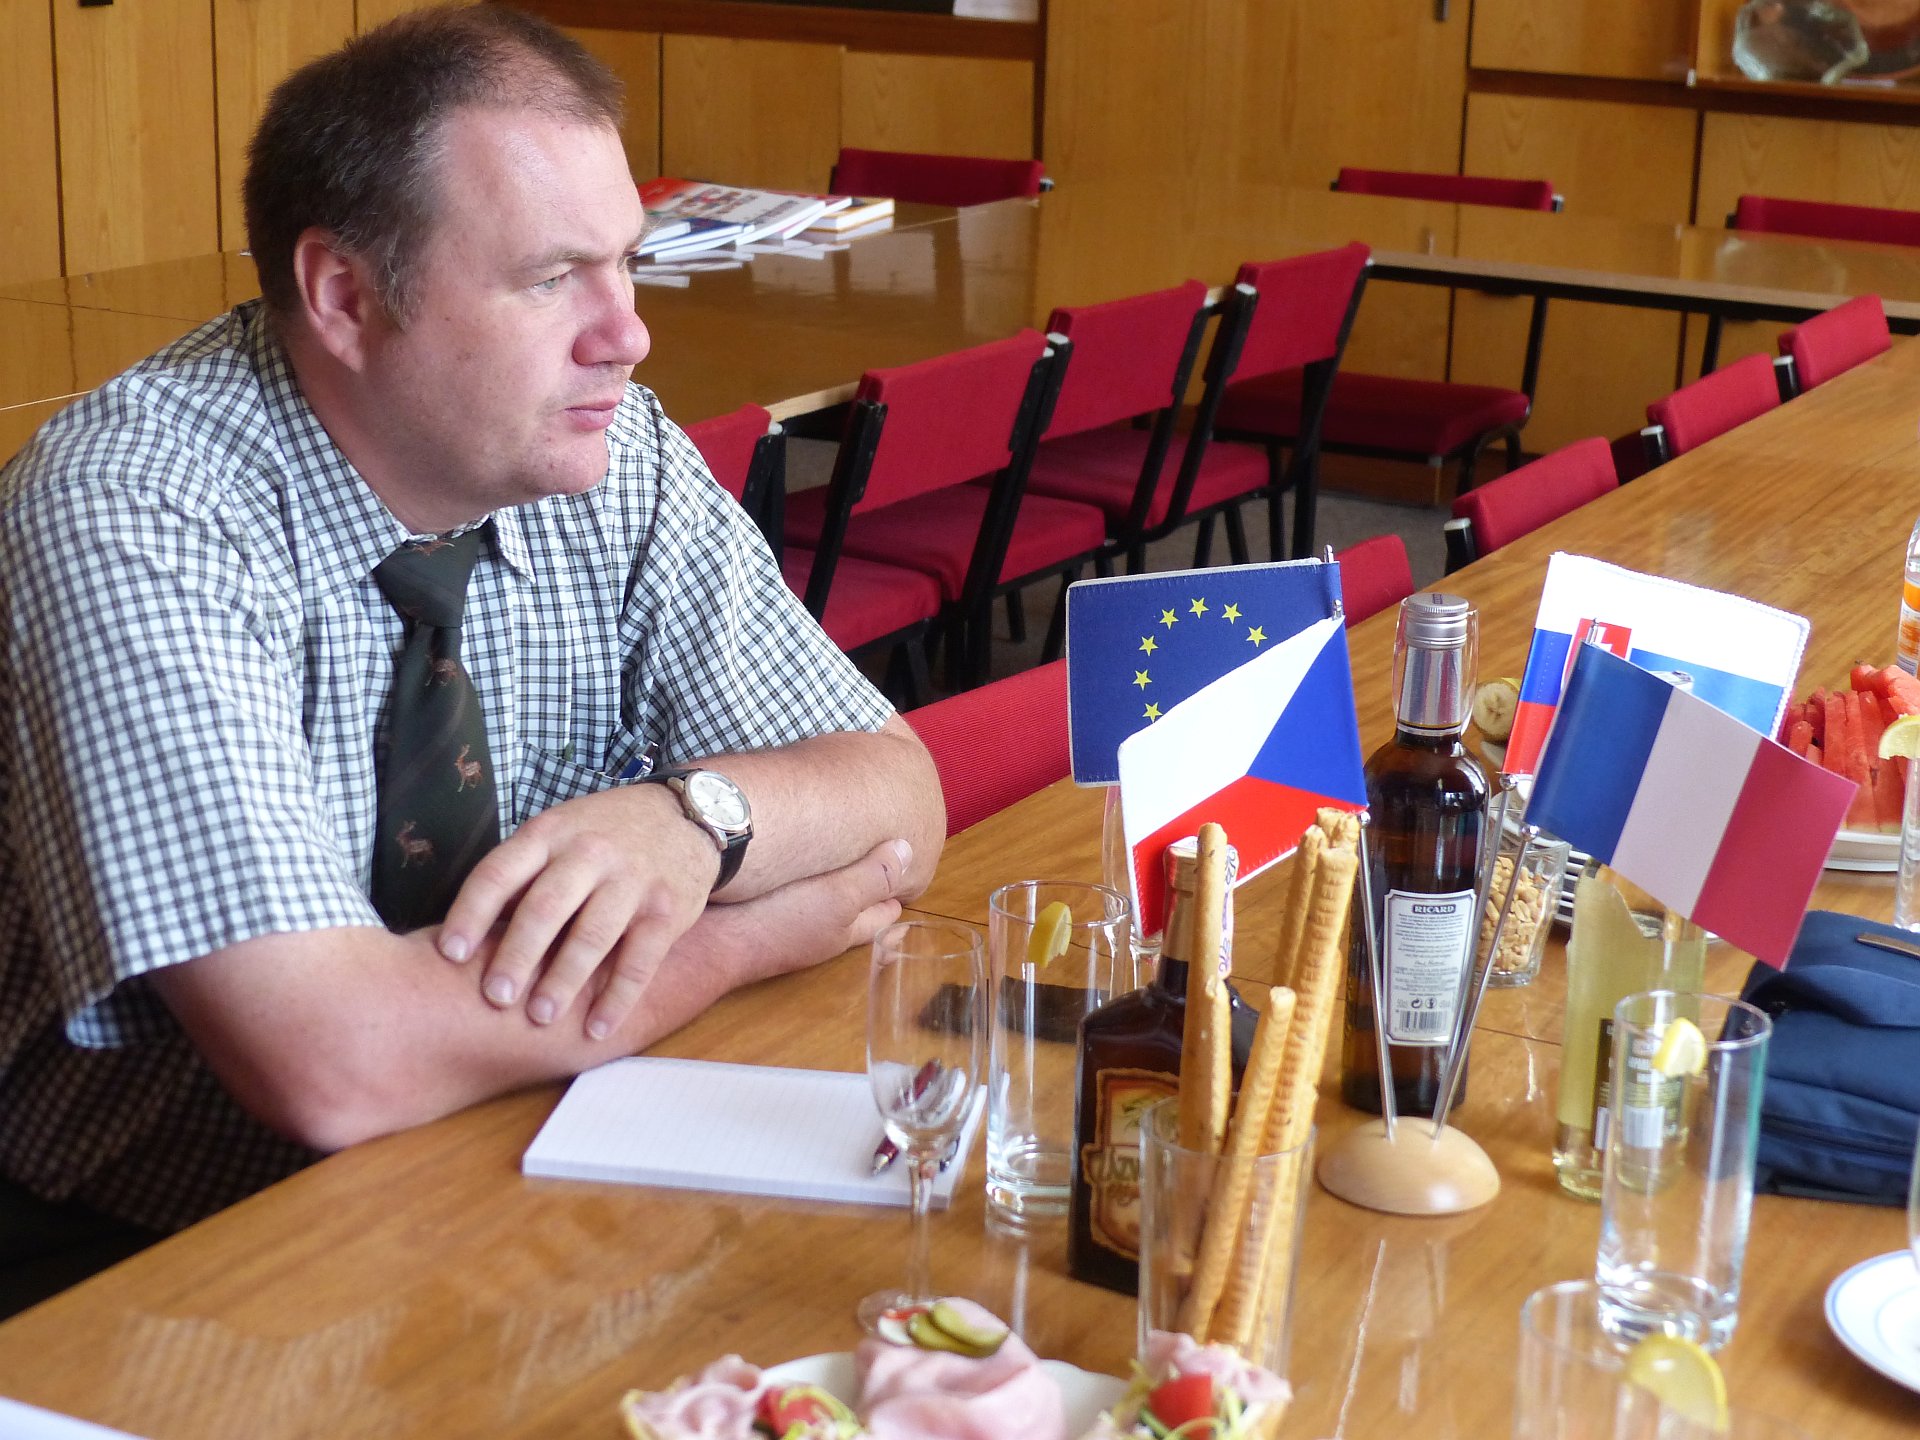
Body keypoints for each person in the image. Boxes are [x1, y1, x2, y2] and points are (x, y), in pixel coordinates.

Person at [0, 5, 945, 1313]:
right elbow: (340, 1067)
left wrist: (695, 824)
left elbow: (900, 797)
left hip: (519, 1142)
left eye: (626, 264)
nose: (628, 335)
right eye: (552, 279)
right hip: (148, 1248)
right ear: (345, 295)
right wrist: (749, 934)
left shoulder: (606, 447)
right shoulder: (135, 509)